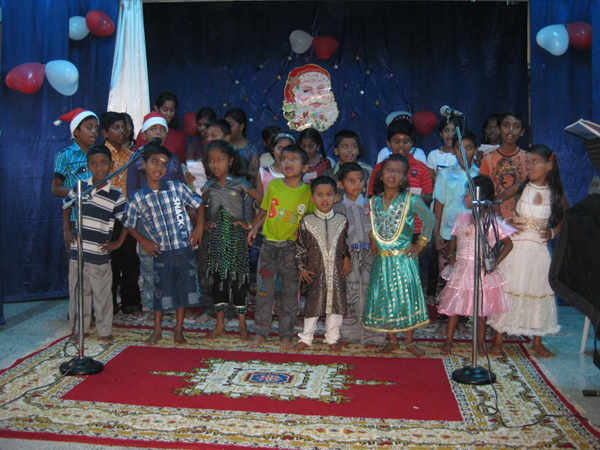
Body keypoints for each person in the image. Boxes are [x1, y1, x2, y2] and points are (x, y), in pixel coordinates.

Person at [488, 145, 568, 358]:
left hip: (538, 251)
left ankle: (537, 342)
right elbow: (494, 201)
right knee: (508, 290)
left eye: (535, 162)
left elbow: (566, 217)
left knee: (538, 290)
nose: (529, 166)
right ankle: (498, 341)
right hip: (515, 248)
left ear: (549, 165)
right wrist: (504, 222)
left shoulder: (555, 193)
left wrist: (553, 232)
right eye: (528, 162)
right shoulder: (521, 187)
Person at [123, 142, 204, 345]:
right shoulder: (138, 198)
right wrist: (144, 241)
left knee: (183, 289)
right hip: (161, 252)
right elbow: (128, 224)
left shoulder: (177, 188)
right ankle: (157, 329)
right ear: (143, 165)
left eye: (164, 163)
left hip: (183, 248)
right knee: (160, 291)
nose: (159, 167)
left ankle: (179, 329)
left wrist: (199, 228)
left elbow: (199, 203)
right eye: (154, 162)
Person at [362, 154, 434, 356]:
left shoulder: (411, 200)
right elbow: (374, 225)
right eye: (389, 170)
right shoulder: (374, 201)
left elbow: (429, 219)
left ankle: (409, 341)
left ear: (404, 177)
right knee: (386, 297)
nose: (392, 175)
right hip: (383, 259)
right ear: (381, 174)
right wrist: (373, 240)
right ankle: (392, 340)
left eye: (398, 172)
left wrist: (420, 244)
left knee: (407, 298)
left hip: (404, 259)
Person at [437, 175, 514, 355]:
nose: (464, 196)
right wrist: (451, 254)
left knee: (481, 308)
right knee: (454, 305)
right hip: (462, 268)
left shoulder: (491, 222)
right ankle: (448, 340)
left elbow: (508, 244)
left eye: (468, 193)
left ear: (480, 197)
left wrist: (494, 263)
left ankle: (480, 341)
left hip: (481, 270)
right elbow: (454, 238)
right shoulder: (462, 217)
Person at [247, 144, 314, 350]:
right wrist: (254, 228)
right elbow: (265, 211)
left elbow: (311, 221)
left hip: (291, 249)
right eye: (284, 159)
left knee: (289, 293)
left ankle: (286, 334)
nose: (287, 163)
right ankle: (261, 331)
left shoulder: (307, 193)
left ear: (305, 167)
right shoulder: (274, 186)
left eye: (293, 159)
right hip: (269, 246)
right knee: (264, 290)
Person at [62, 145, 127, 342]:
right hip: (78, 252)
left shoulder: (116, 195)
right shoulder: (80, 187)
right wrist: (66, 230)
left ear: (111, 165)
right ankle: (79, 328)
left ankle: (104, 330)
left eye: (103, 163)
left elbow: (128, 221)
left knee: (102, 294)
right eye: (94, 164)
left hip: (100, 254)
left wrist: (117, 243)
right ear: (88, 166)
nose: (99, 168)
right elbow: (66, 206)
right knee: (78, 292)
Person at [202, 140, 257, 341]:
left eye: (220, 160)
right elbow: (198, 208)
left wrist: (251, 224)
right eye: (211, 161)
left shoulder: (241, 184)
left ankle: (242, 325)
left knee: (239, 281)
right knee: (218, 281)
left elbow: (264, 202)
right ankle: (219, 325)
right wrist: (204, 224)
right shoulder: (208, 186)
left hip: (237, 241)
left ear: (231, 161)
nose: (215, 164)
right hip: (216, 240)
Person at [295, 176, 351, 351]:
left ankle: (333, 338)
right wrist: (301, 268)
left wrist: (347, 258)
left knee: (336, 305)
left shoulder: (342, 220)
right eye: (320, 195)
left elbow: (345, 244)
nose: (324, 199)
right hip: (315, 271)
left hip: (336, 271)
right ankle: (306, 338)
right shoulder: (306, 221)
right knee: (312, 306)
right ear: (312, 198)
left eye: (329, 194)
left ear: (336, 197)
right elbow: (300, 247)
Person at [333, 163, 385, 346]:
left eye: (360, 180)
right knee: (351, 294)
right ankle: (350, 334)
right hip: (348, 256)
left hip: (371, 254)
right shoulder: (337, 208)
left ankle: (374, 336)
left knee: (372, 293)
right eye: (351, 181)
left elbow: (380, 230)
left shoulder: (373, 205)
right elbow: (337, 238)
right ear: (341, 184)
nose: (357, 185)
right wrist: (344, 258)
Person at [100, 112, 142, 315]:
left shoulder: (131, 156)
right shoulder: (100, 155)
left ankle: (130, 302)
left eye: (123, 127)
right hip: (107, 215)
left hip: (127, 214)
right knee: (110, 262)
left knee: (130, 260)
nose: (122, 131)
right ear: (105, 132)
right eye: (116, 128)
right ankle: (109, 302)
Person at [433, 130, 480, 283]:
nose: (464, 153)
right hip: (447, 234)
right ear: (453, 151)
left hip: (471, 237)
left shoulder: (480, 175)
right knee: (448, 280)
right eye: (459, 148)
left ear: (476, 150)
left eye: (469, 148)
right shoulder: (444, 175)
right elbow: (438, 207)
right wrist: (437, 234)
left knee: (468, 281)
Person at [479, 112, 528, 220]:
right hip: (496, 221)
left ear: (522, 132)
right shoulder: (487, 159)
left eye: (516, 126)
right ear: (499, 129)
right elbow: (483, 194)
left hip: (522, 219)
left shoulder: (528, 158)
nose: (510, 130)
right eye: (506, 125)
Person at [52, 108, 99, 199]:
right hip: (76, 206)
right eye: (89, 127)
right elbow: (56, 188)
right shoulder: (65, 155)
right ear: (76, 132)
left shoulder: (99, 154)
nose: (94, 131)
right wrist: (73, 193)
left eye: (96, 128)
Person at [136, 92, 186, 163]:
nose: (168, 114)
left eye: (171, 110)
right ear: (156, 109)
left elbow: (181, 163)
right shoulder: (145, 132)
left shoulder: (179, 137)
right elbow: (137, 160)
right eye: (165, 110)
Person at [225, 108, 259, 182]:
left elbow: (255, 175)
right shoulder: (223, 146)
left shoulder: (251, 149)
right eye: (225, 125)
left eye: (230, 125)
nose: (227, 128)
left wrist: (241, 171)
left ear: (241, 126)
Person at [257, 133, 294, 199]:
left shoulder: (297, 174)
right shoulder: (263, 172)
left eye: (288, 148)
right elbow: (260, 201)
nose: (283, 152)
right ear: (273, 149)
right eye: (280, 148)